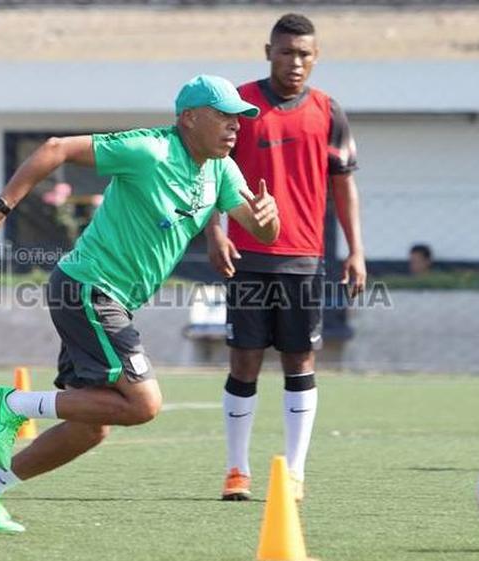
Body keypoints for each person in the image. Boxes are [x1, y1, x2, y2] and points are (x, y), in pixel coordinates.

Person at [0, 75, 279, 532]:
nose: (234, 128)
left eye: (238, 119)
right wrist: (1, 206)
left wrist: (268, 218)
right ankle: (14, 404)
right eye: (223, 116)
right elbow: (55, 148)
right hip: (88, 287)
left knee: (91, 426)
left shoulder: (221, 170)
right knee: (143, 405)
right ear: (189, 118)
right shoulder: (149, 150)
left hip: (111, 300)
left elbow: (261, 228)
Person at [203, 13, 366, 502]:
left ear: (315, 58)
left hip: (303, 259)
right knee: (245, 361)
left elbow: (344, 183)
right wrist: (215, 230)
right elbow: (209, 168)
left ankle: (294, 473)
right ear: (268, 51)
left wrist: (356, 250)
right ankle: (237, 471)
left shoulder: (328, 110)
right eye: (286, 52)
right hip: (248, 255)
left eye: (304, 54)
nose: (295, 62)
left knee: (300, 359)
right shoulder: (240, 104)